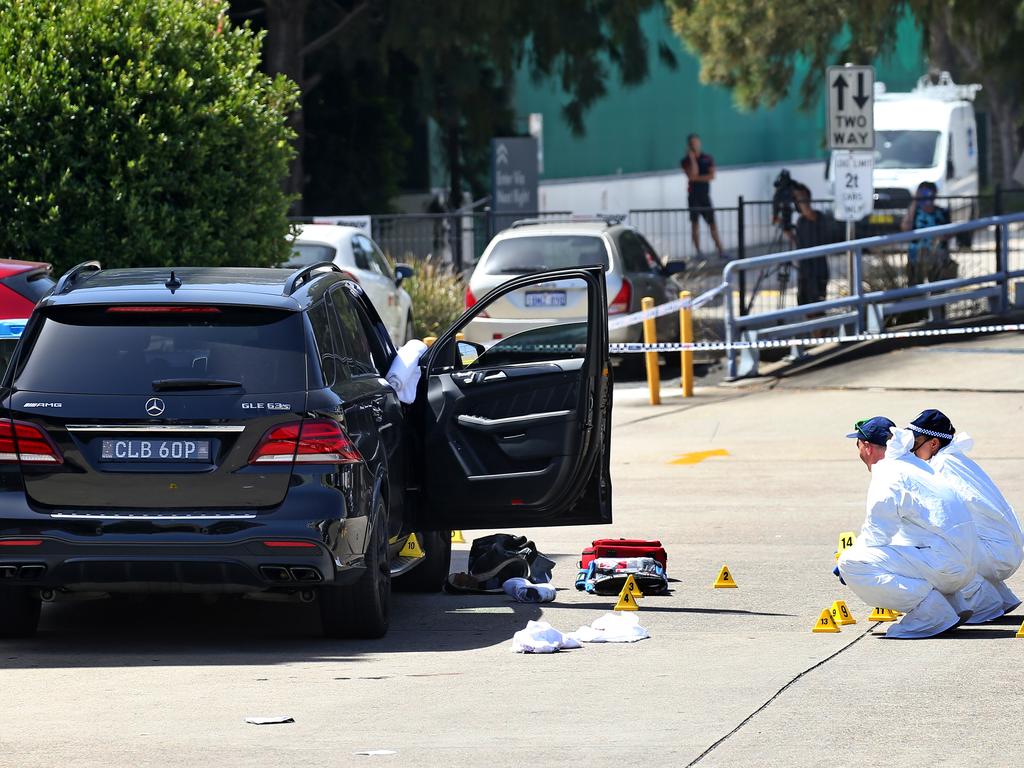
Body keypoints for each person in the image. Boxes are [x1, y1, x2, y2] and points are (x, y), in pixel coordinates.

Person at [837, 417, 979, 638]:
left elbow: (878, 533)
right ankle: (953, 604)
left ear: (865, 446)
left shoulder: (887, 472)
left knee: (852, 563)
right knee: (902, 543)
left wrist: (850, 558)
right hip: (966, 566)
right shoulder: (914, 465)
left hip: (947, 565)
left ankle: (932, 614)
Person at [910, 408, 1023, 619]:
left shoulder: (942, 466)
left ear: (933, 443)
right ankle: (1000, 596)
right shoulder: (954, 459)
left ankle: (983, 604)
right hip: (1005, 550)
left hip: (996, 553)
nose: (912, 449)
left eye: (915, 442)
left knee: (924, 548)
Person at [680, 134, 725, 259]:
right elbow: (692, 174)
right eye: (692, 143)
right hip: (693, 197)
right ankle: (699, 252)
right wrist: (692, 159)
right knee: (695, 225)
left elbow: (711, 176)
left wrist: (697, 178)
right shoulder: (685, 161)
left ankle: (721, 250)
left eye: (696, 142)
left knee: (712, 224)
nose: (695, 145)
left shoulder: (707, 158)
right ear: (689, 145)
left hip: (705, 196)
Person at [900, 181, 954, 284]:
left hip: (937, 257)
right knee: (915, 290)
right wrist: (915, 202)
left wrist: (941, 237)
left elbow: (950, 232)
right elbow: (905, 227)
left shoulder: (942, 212)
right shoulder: (915, 213)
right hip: (915, 257)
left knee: (938, 289)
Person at [792, 184, 832, 306]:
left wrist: (800, 196)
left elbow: (810, 214)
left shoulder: (818, 217)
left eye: (802, 199)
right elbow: (797, 241)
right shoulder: (800, 221)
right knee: (803, 303)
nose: (800, 203)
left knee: (817, 306)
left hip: (818, 270)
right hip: (804, 270)